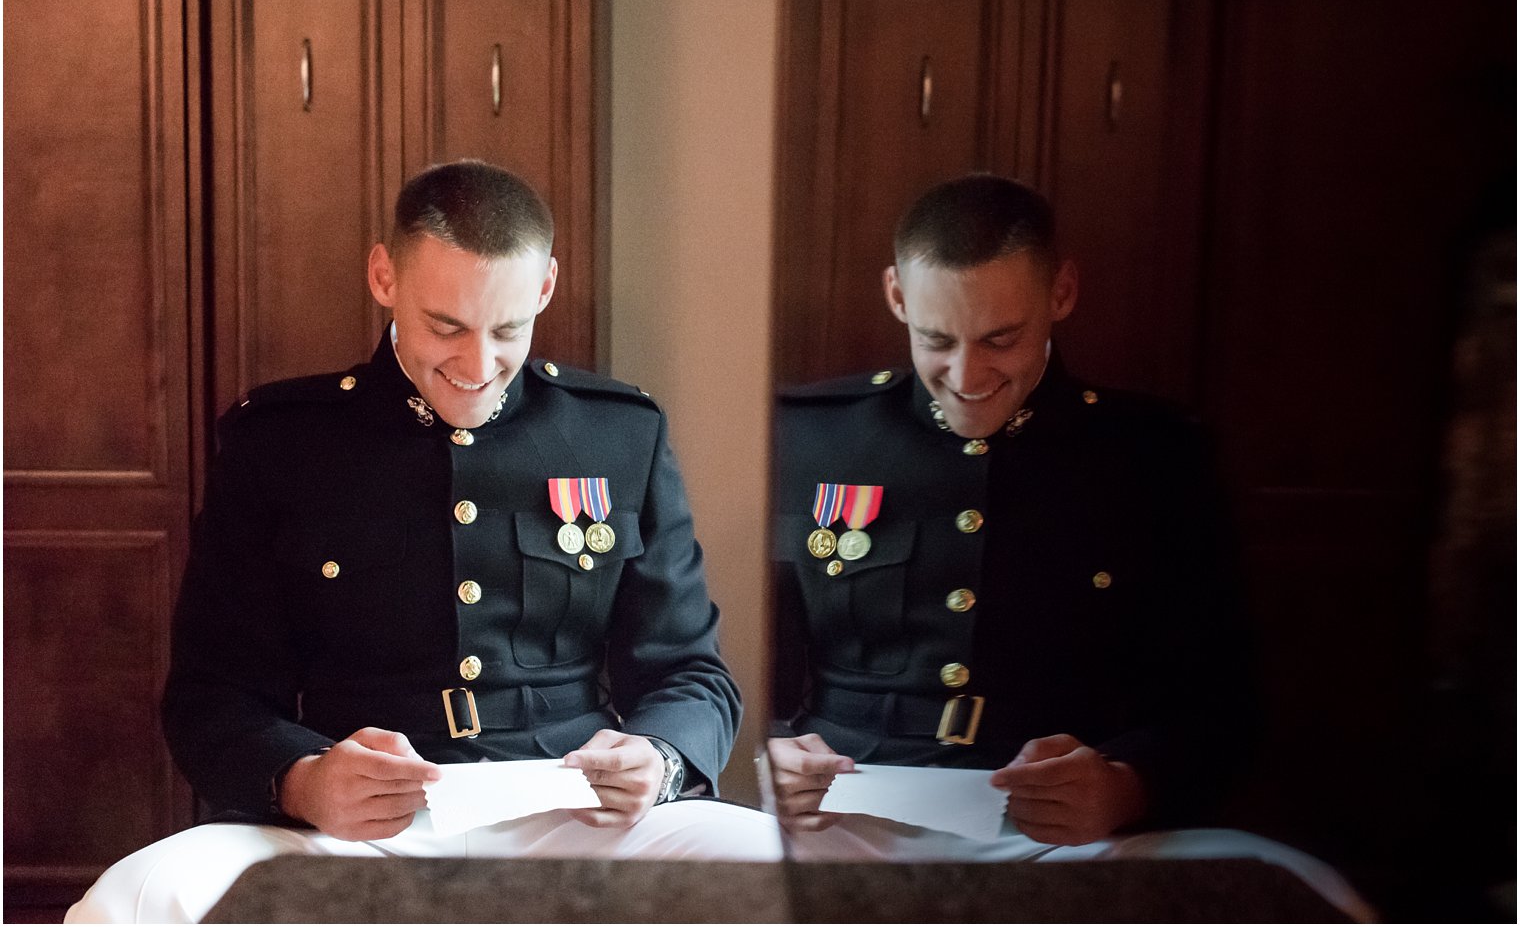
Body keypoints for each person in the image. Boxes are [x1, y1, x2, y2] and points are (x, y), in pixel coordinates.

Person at [68, 161, 779, 924]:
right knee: (134, 900)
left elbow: (691, 672)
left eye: (507, 329)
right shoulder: (278, 443)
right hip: (362, 833)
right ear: (384, 276)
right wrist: (304, 779)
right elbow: (211, 694)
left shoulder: (619, 434)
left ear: (544, 287)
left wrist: (661, 758)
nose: (478, 367)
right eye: (446, 326)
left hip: (579, 820)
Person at [765, 175, 1372, 920]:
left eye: (1000, 339)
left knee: (1305, 894)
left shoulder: (1154, 458)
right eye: (936, 339)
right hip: (845, 825)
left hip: (1057, 839)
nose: (967, 376)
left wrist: (1126, 783)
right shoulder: (806, 437)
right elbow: (736, 666)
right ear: (897, 296)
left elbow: (1223, 704)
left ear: (1062, 293)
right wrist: (776, 749)